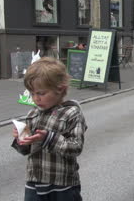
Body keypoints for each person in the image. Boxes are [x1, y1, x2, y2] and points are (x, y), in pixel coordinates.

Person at [11, 57, 87, 201]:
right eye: (32, 93)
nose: (36, 99)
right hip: (34, 183)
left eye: (41, 93)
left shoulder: (71, 113)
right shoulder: (33, 114)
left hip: (63, 186)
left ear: (60, 89)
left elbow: (76, 148)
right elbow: (26, 151)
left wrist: (48, 138)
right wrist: (21, 138)